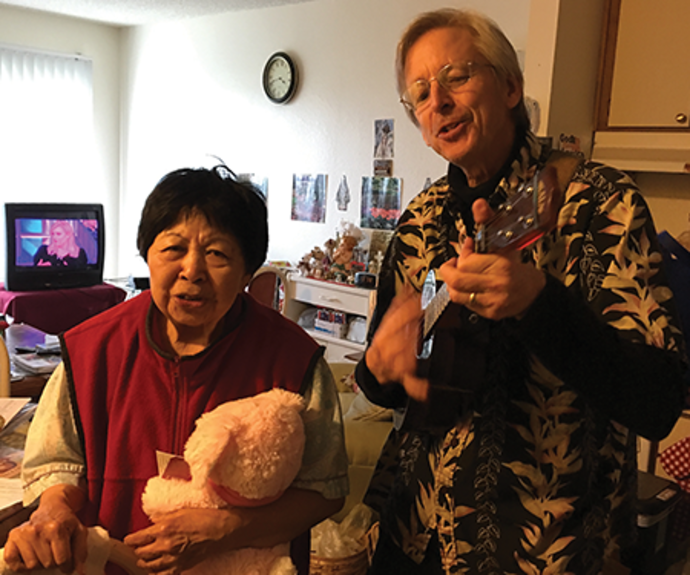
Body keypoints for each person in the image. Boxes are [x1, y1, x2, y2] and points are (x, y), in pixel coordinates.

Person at [355, 8, 687, 574]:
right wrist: (376, 370)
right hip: (413, 534)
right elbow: (389, 387)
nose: (437, 100)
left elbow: (657, 401)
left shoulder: (600, 202)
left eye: (456, 76)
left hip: (545, 546)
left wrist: (540, 303)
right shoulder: (417, 222)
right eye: (420, 92)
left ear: (511, 86)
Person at [5, 165, 348, 574]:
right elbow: (56, 462)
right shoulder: (91, 348)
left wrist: (229, 528)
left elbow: (325, 488)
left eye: (217, 253)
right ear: (147, 254)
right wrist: (53, 511)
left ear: (247, 270)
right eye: (172, 249)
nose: (192, 271)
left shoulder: (293, 359)